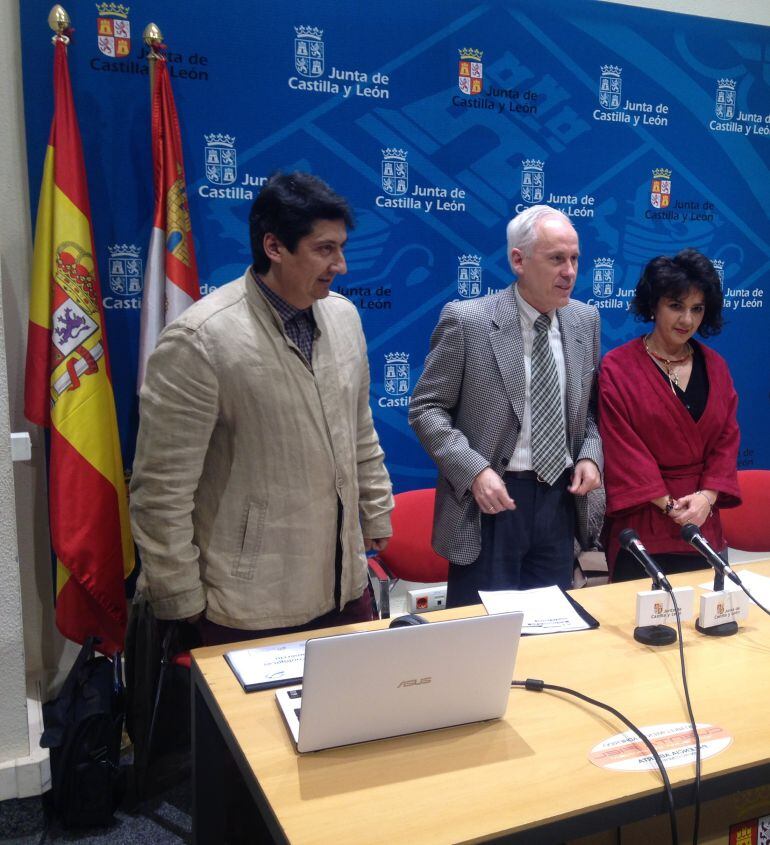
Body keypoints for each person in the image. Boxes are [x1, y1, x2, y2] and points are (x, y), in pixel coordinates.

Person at [130, 172, 393, 645]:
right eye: (324, 249)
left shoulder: (344, 318)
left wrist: (375, 511)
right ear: (274, 246)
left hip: (342, 588)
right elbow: (160, 491)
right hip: (247, 603)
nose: (342, 266)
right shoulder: (201, 340)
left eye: (341, 247)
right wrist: (181, 598)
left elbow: (361, 431)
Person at [408, 205, 603, 607]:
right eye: (556, 259)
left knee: (550, 635)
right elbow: (426, 408)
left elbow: (590, 411)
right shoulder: (469, 321)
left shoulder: (586, 320)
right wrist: (474, 471)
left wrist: (590, 455)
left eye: (574, 259)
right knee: (482, 639)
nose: (569, 271)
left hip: (559, 500)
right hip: (490, 502)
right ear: (518, 260)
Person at [598, 248, 741, 581]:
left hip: (704, 525)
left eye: (697, 309)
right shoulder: (617, 368)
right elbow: (622, 449)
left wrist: (706, 498)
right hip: (644, 530)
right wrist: (670, 506)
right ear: (653, 305)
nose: (686, 320)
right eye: (675, 306)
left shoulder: (716, 367)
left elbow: (727, 438)